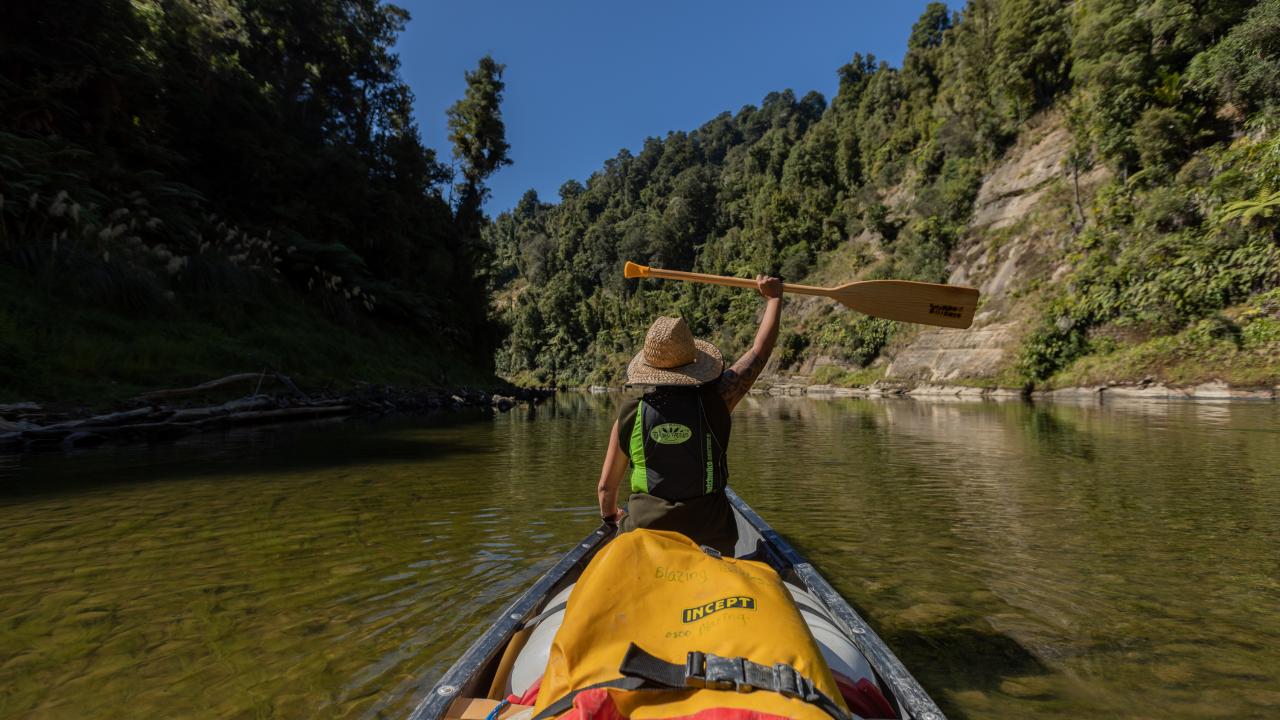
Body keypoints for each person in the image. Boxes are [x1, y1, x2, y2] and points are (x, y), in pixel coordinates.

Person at [596, 275, 783, 554]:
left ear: (649, 366)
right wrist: (774, 299)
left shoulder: (631, 413)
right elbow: (759, 352)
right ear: (693, 362)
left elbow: (605, 490)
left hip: (647, 536)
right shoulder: (720, 398)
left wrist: (611, 517)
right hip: (713, 536)